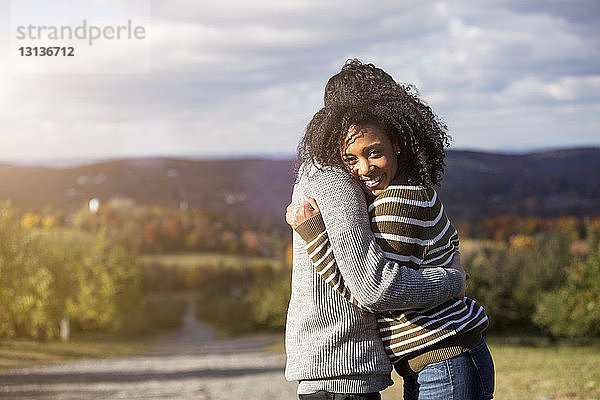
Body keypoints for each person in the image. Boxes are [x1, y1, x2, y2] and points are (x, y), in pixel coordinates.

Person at [287, 60, 494, 400]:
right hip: (370, 368)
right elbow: (374, 289)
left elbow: (373, 289)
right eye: (351, 156)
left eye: (373, 151)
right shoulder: (345, 182)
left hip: (440, 357)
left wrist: (453, 276)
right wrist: (452, 276)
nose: (363, 167)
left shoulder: (392, 197)